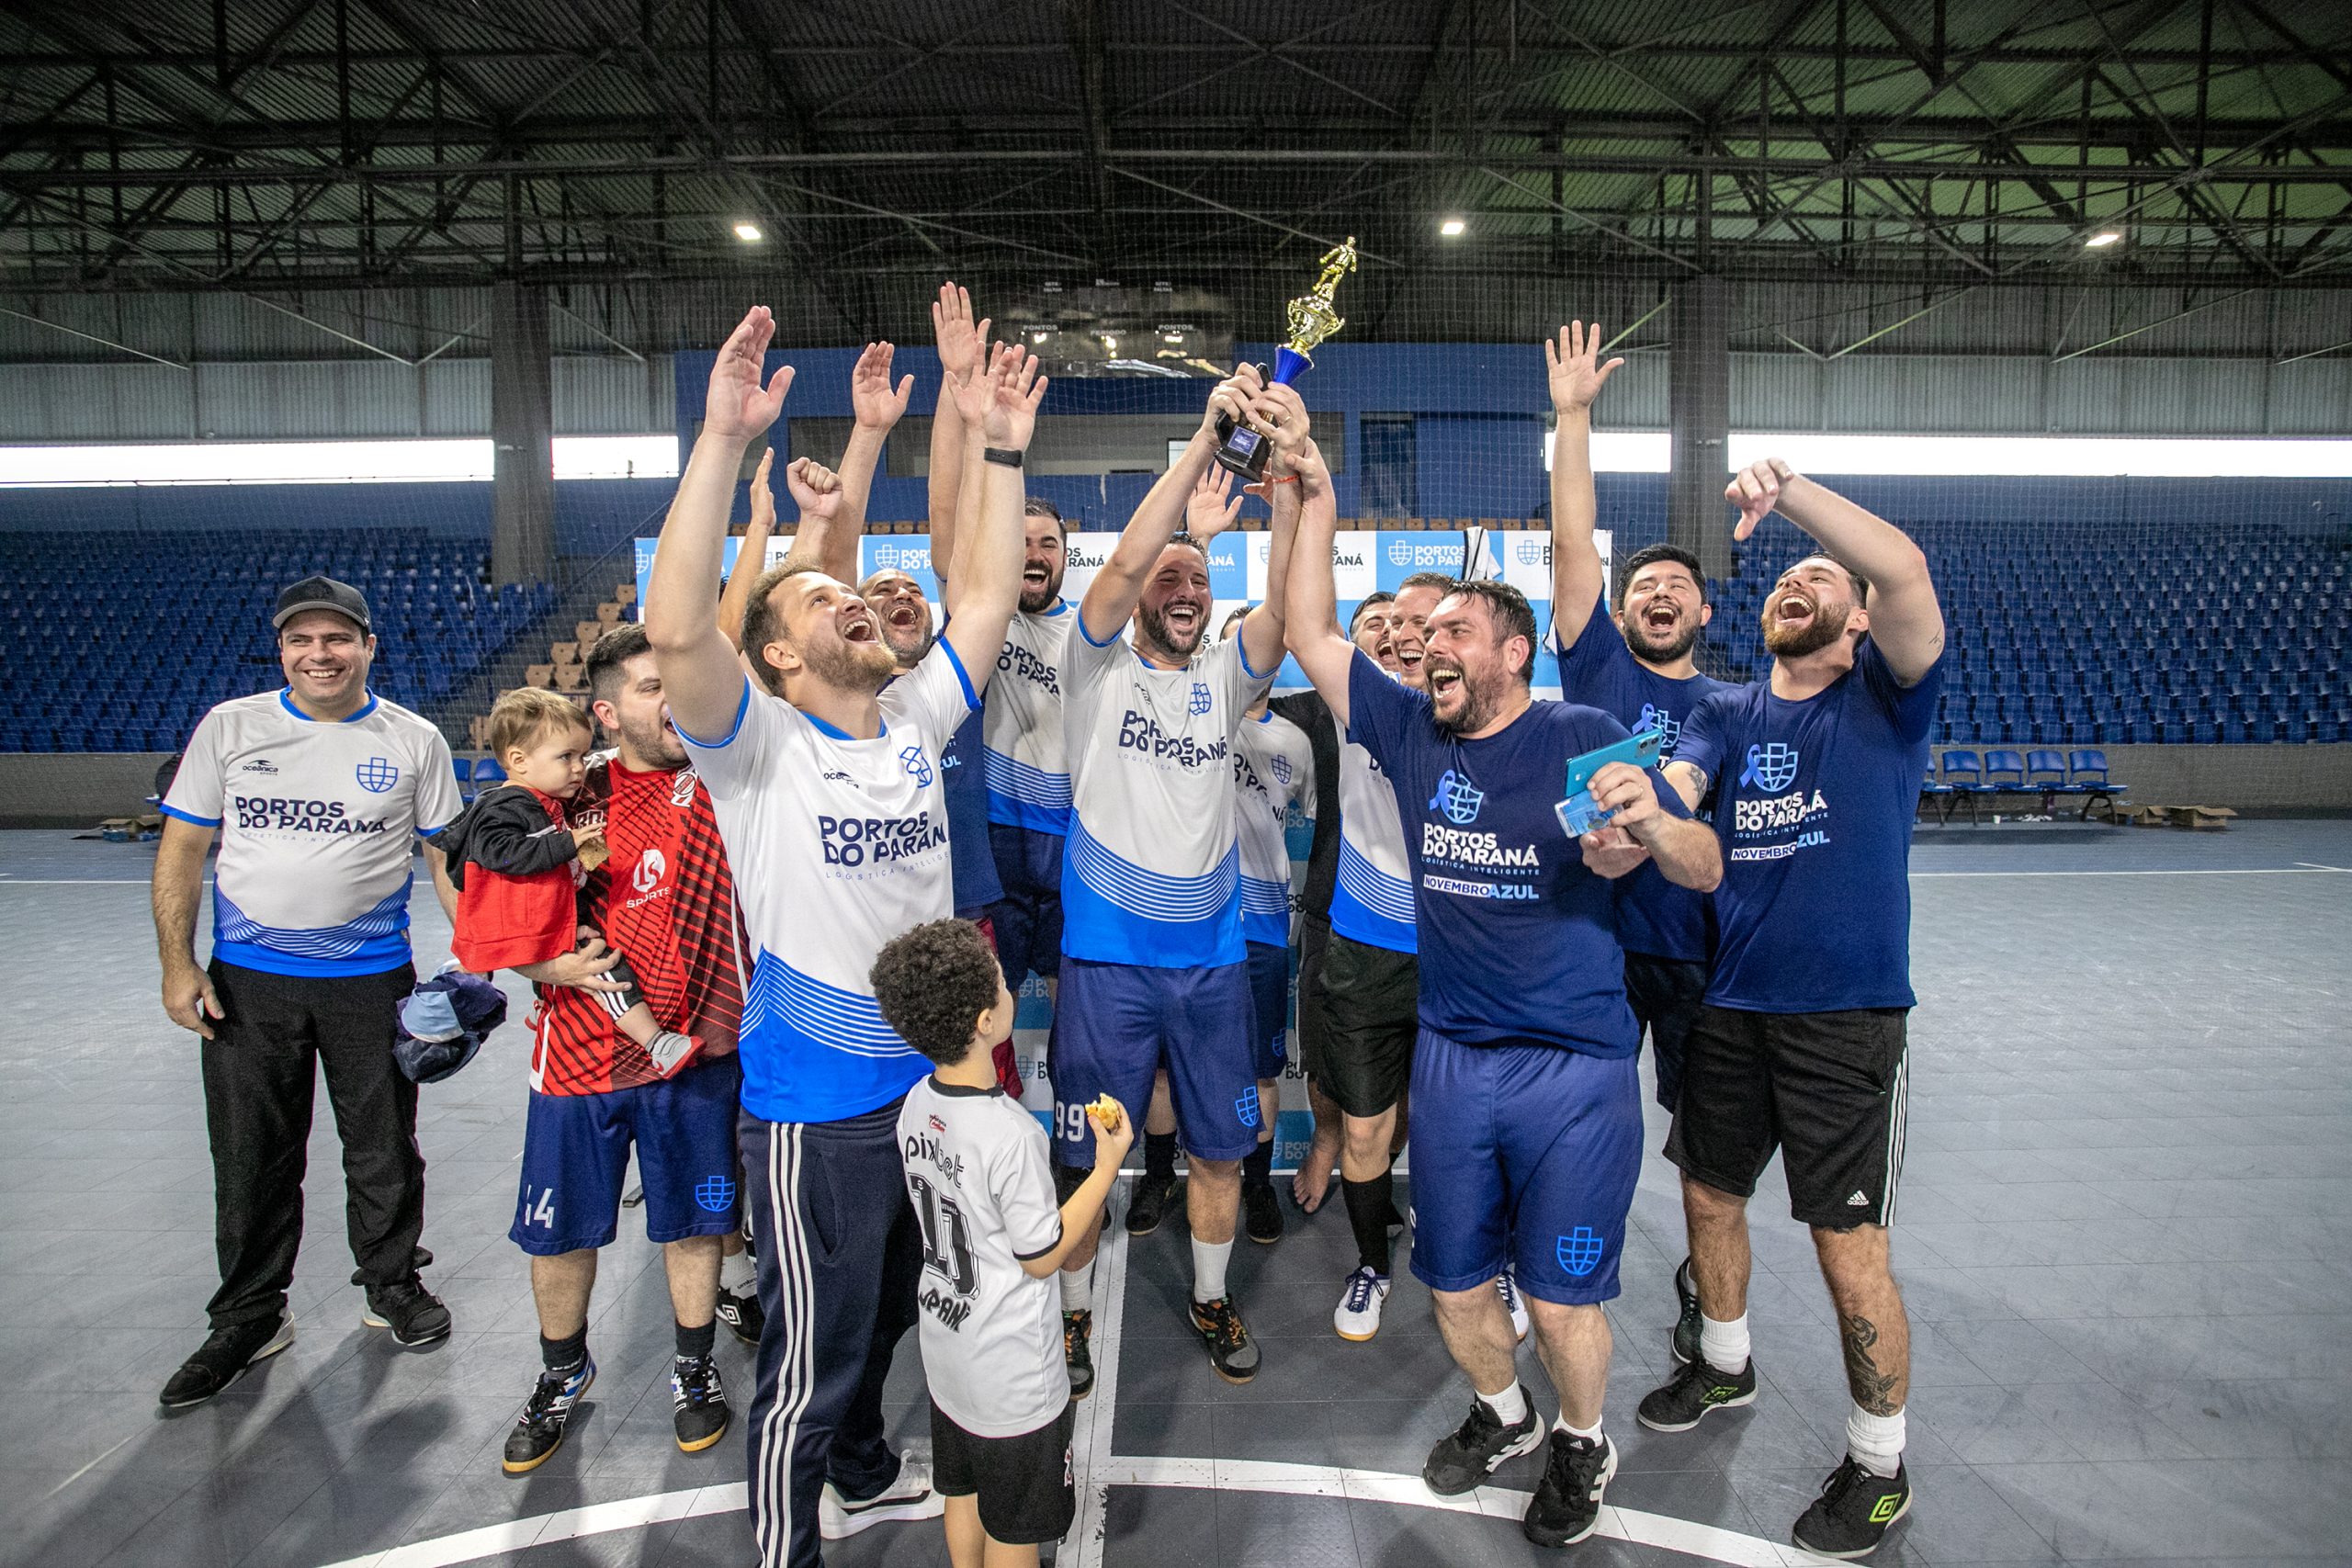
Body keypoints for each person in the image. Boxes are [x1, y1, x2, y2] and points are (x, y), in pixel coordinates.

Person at [645, 307, 1040, 1568]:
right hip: (819, 1108)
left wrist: (997, 445)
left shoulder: (916, 719)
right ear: (772, 651)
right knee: (809, 1361)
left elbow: (980, 588)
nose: (854, 595)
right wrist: (719, 441)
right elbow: (674, 632)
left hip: (932, 1088)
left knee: (894, 1317)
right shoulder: (755, 747)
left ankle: (867, 1464)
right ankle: (784, 1544)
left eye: (854, 586)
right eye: (822, 596)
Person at [1283, 455, 1721, 1550]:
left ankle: (1580, 1438)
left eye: (1454, 635)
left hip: (1572, 1067)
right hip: (1453, 1057)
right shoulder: (1409, 735)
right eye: (1427, 639)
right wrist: (1315, 496)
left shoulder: (1577, 736)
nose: (1431, 647)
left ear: (1511, 652)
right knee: (1457, 1286)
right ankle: (1502, 1411)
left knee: (1565, 1299)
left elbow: (1698, 863)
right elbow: (1307, 630)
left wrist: (1649, 829)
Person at [1637, 457, 1945, 1562]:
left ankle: (1879, 1463)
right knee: (1708, 1194)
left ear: (1857, 616)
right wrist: (1645, 813)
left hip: (1844, 1017)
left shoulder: (1888, 700)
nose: (1792, 585)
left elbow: (1903, 566)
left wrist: (1796, 497)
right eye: (1781, 578)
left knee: (1844, 1243)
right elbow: (1685, 816)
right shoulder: (1725, 707)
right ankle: (1722, 1361)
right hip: (1734, 1003)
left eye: (1819, 579)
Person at [1043, 367, 1302, 1387]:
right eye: (1168, 578)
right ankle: (1068, 1314)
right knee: (1084, 1159)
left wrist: (1284, 488)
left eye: (1199, 580)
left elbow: (1278, 617)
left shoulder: (1224, 678)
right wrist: (1204, 439)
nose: (1184, 591)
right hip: (1106, 963)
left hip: (1209, 968)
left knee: (1222, 1154)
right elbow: (1119, 576)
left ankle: (1207, 1295)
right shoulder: (1092, 665)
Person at [151, 574, 462, 1407]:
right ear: (283, 649)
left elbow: (442, 856)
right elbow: (183, 850)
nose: (318, 654)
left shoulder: (415, 739)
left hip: (372, 980)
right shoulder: (231, 727)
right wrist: (179, 966)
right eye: (301, 640)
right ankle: (248, 1316)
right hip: (248, 984)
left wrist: (476, 957)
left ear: (368, 647)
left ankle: (392, 1284)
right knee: (252, 1152)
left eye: (336, 638)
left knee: (384, 1145)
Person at [479, 624, 751, 1475]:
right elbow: (468, 870)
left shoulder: (728, 775)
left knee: (698, 1220)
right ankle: (563, 1370)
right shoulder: (565, 794)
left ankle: (693, 1361)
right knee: (560, 1235)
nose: (673, 698)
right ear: (605, 711)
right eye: (648, 686)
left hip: (697, 1049)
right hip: (578, 1058)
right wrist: (536, 960)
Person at [1541, 320, 1736, 1362]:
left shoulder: (1738, 706)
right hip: (1598, 952)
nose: (1655, 597)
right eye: (1640, 589)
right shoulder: (1598, 673)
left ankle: (1713, 1312)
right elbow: (1575, 543)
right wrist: (1573, 417)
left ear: (1707, 607)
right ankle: (1559, 1283)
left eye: (1675, 589)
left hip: (1700, 962)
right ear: (1618, 611)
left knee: (1705, 1168)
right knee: (1579, 1135)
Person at [871, 919, 1130, 1568]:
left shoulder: (912, 1106)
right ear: (987, 1019)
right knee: (1016, 1527)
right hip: (1012, 1374)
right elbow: (1041, 1255)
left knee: (963, 1489)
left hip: (948, 1351)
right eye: (1001, 984)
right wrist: (1105, 1168)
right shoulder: (1011, 1132)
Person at [435, 686, 700, 1077]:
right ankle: (657, 1043)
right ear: (518, 761)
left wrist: (591, 855)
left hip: (542, 915)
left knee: (595, 952)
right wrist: (568, 843)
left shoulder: (545, 803)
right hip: (523, 924)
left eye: (582, 755)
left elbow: (567, 862)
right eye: (566, 757)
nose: (579, 768)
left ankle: (550, 1004)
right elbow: (502, 855)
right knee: (605, 967)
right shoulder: (506, 805)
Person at [1273, 592, 1394, 1217]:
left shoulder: (1446, 711)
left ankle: (1386, 1168)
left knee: (1409, 1069)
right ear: (1349, 645)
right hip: (1331, 905)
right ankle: (1326, 1137)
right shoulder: (1314, 709)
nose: (1390, 631)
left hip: (1420, 925)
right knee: (1322, 1054)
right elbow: (1245, 689)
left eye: (1401, 622)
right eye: (1374, 623)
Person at [1221, 605, 1315, 1244]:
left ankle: (1258, 1183)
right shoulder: (1191, 715)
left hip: (1262, 924)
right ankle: (1161, 1174)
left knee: (1260, 1069)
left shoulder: (1296, 742)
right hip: (1189, 923)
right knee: (1171, 1068)